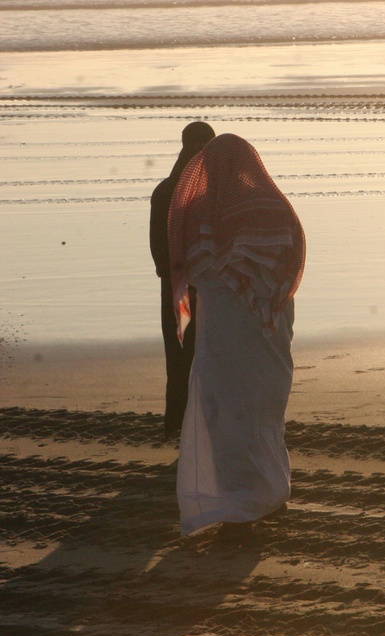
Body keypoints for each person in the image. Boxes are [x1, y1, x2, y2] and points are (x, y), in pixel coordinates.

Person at [167, 133, 306, 537]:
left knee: (227, 412)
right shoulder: (272, 206)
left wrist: (226, 281)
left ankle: (243, 501)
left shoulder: (195, 211)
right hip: (266, 325)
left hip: (225, 326)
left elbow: (187, 266)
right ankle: (260, 496)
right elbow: (290, 262)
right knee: (260, 409)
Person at [150, 121, 216, 437]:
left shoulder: (166, 189)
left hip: (174, 288)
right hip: (201, 288)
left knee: (178, 356)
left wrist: (172, 277)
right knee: (200, 355)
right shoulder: (213, 190)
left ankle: (176, 422)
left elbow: (157, 249)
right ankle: (194, 423)